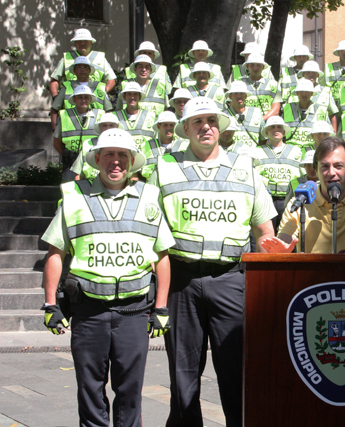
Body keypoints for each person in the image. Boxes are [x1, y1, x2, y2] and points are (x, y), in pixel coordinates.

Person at [148, 97, 276, 427]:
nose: (206, 126)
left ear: (220, 127)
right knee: (183, 374)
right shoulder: (164, 167)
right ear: (186, 128)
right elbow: (147, 231)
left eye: (212, 121)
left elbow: (264, 232)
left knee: (236, 372)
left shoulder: (245, 168)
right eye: (198, 121)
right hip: (181, 281)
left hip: (231, 280)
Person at [40, 128, 174, 427]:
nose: (116, 162)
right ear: (97, 159)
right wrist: (50, 304)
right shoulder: (74, 197)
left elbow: (162, 258)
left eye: (122, 155)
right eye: (109, 155)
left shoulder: (150, 197)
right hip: (88, 311)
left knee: (130, 392)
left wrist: (161, 308)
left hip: (134, 311)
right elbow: (55, 253)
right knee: (90, 390)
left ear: (132, 161)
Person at [254, 116, 303, 230]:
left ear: (284, 131)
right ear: (266, 132)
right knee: (267, 234)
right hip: (266, 200)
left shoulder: (296, 151)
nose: (276, 130)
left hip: (288, 200)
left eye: (279, 127)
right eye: (272, 127)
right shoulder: (257, 151)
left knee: (288, 233)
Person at [53, 85, 103, 182]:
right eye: (80, 97)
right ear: (74, 99)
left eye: (86, 97)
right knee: (70, 191)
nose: (83, 100)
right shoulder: (64, 115)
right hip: (71, 163)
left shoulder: (100, 114)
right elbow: (56, 142)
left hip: (92, 162)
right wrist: (67, 156)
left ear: (90, 99)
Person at [49, 28, 116, 99]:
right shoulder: (66, 58)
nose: (82, 43)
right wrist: (56, 98)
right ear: (75, 43)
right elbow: (54, 80)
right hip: (72, 101)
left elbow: (111, 80)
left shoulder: (100, 58)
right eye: (79, 41)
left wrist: (102, 92)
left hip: (95, 100)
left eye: (86, 41)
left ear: (91, 43)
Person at [50, 56, 112, 130]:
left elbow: (109, 111)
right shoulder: (67, 86)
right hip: (71, 128)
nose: (82, 69)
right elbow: (54, 109)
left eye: (85, 67)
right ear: (74, 70)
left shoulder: (100, 87)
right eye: (79, 67)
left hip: (95, 129)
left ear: (90, 70)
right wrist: (55, 129)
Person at [70, 112, 122, 181]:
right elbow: (78, 175)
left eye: (111, 125)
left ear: (117, 126)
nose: (108, 128)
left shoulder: (124, 145)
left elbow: (133, 176)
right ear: (100, 127)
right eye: (104, 125)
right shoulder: (88, 144)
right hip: (91, 186)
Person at [283, 79, 331, 148]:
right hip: (291, 151)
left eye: (307, 92)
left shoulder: (321, 110)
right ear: (297, 93)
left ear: (312, 93)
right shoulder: (287, 108)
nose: (304, 94)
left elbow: (328, 134)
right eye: (301, 91)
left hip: (313, 151)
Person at [114, 82, 157, 150]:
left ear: (139, 97)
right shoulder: (115, 117)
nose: (132, 97)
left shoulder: (151, 116)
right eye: (129, 94)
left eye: (135, 94)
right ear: (124, 97)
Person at [241, 53, 282, 120]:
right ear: (247, 66)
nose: (255, 68)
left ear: (263, 67)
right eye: (252, 65)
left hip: (267, 123)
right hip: (246, 122)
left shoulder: (273, 84)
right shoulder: (241, 84)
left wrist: (261, 120)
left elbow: (276, 109)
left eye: (258, 65)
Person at [224, 80, 264, 147]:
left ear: (245, 96)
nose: (239, 96)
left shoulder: (257, 112)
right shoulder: (224, 115)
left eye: (241, 93)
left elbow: (263, 139)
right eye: (236, 93)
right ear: (230, 97)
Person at [325, 40, 345, 106]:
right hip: (332, 106)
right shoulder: (328, 68)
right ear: (338, 52)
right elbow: (323, 88)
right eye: (342, 51)